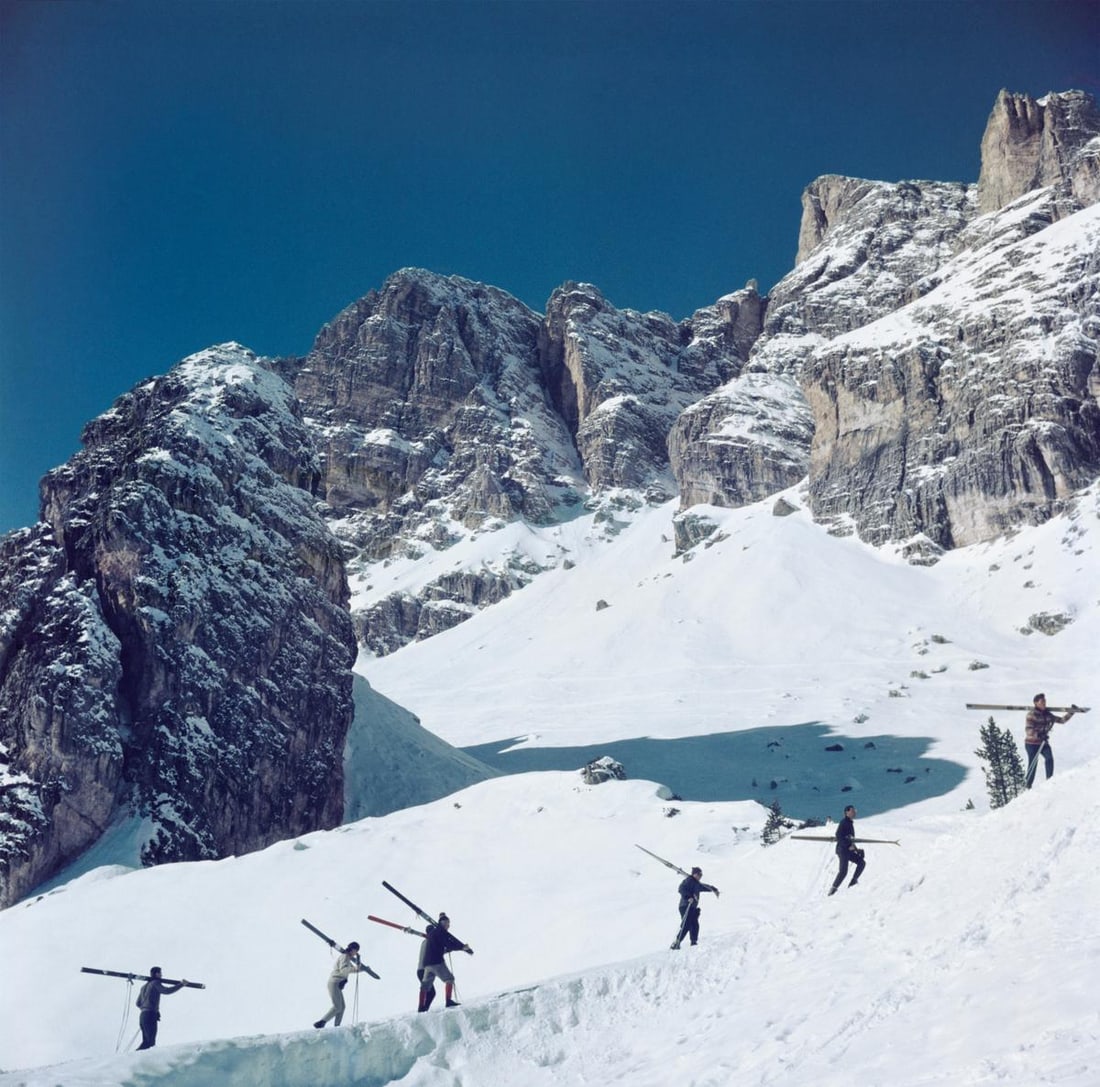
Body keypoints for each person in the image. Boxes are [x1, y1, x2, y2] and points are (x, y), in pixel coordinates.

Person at [417, 913, 473, 1011]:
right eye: (447, 923)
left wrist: (456, 948)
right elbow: (448, 944)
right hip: (436, 962)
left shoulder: (430, 937)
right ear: (442, 923)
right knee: (449, 979)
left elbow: (439, 947)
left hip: (427, 965)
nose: (448, 925)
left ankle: (421, 1007)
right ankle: (448, 1001)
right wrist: (462, 947)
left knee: (425, 986)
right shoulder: (439, 932)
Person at [1024, 693, 1077, 788]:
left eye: (1045, 701)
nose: (1044, 703)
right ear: (1036, 703)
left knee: (1049, 759)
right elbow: (1029, 730)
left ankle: (1049, 780)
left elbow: (1062, 720)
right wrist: (1039, 734)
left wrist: (1071, 712)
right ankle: (1028, 784)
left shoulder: (1048, 715)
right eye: (1042, 701)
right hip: (1031, 743)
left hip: (1042, 742)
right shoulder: (1031, 715)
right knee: (1033, 763)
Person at [313, 941, 370, 1028]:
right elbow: (344, 970)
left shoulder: (347, 958)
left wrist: (362, 967)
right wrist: (355, 969)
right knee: (337, 1006)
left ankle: (337, 1026)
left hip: (337, 984)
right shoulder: (344, 956)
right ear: (353, 949)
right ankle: (321, 1022)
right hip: (334, 982)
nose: (355, 953)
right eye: (356, 951)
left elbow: (353, 969)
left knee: (342, 1007)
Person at [136, 967, 186, 1050]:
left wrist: (147, 1008)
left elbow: (138, 1003)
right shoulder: (155, 983)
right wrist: (181, 984)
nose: (161, 975)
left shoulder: (144, 987)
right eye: (160, 973)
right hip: (150, 1015)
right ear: (157, 974)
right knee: (150, 1043)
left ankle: (134, 1056)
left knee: (146, 1042)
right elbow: (166, 991)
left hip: (143, 1016)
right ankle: (134, 1057)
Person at [671, 866, 719, 949]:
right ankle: (677, 942)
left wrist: (713, 888)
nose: (700, 876)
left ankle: (693, 942)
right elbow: (681, 888)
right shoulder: (689, 880)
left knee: (694, 924)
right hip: (685, 905)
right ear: (694, 874)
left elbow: (704, 887)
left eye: (701, 875)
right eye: (699, 874)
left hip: (692, 906)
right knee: (686, 923)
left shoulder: (697, 884)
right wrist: (688, 897)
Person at [829, 804, 865, 896]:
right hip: (842, 850)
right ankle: (832, 890)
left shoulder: (850, 823)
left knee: (861, 862)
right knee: (843, 871)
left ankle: (853, 882)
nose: (854, 812)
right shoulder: (844, 822)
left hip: (848, 850)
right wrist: (848, 846)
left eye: (854, 811)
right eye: (852, 811)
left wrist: (856, 850)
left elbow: (850, 839)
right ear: (847, 812)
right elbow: (838, 836)